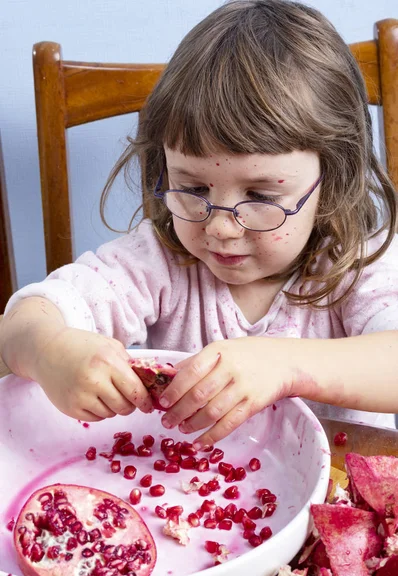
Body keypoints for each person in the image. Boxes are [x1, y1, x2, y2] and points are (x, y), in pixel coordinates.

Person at [1, 0, 398, 449]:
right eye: (193, 188)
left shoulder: (361, 264)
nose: (222, 228)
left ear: (333, 180)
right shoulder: (156, 263)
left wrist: (283, 365)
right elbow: (17, 327)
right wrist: (49, 350)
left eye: (262, 196)